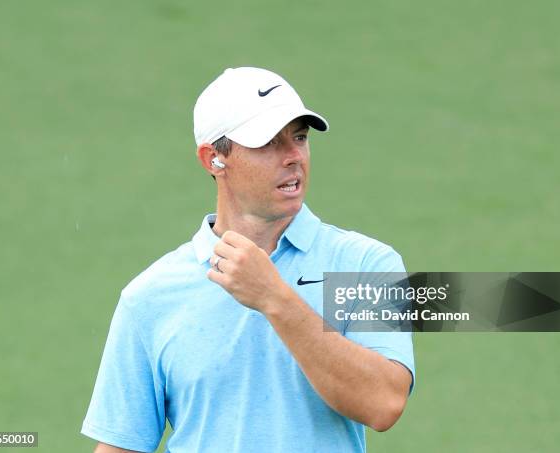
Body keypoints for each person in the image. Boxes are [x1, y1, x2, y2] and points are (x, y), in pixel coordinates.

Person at [81, 67, 415, 453]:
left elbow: (384, 404)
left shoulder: (365, 264)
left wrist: (274, 297)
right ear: (213, 160)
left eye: (300, 138)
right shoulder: (149, 297)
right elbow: (123, 446)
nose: (293, 157)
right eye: (269, 143)